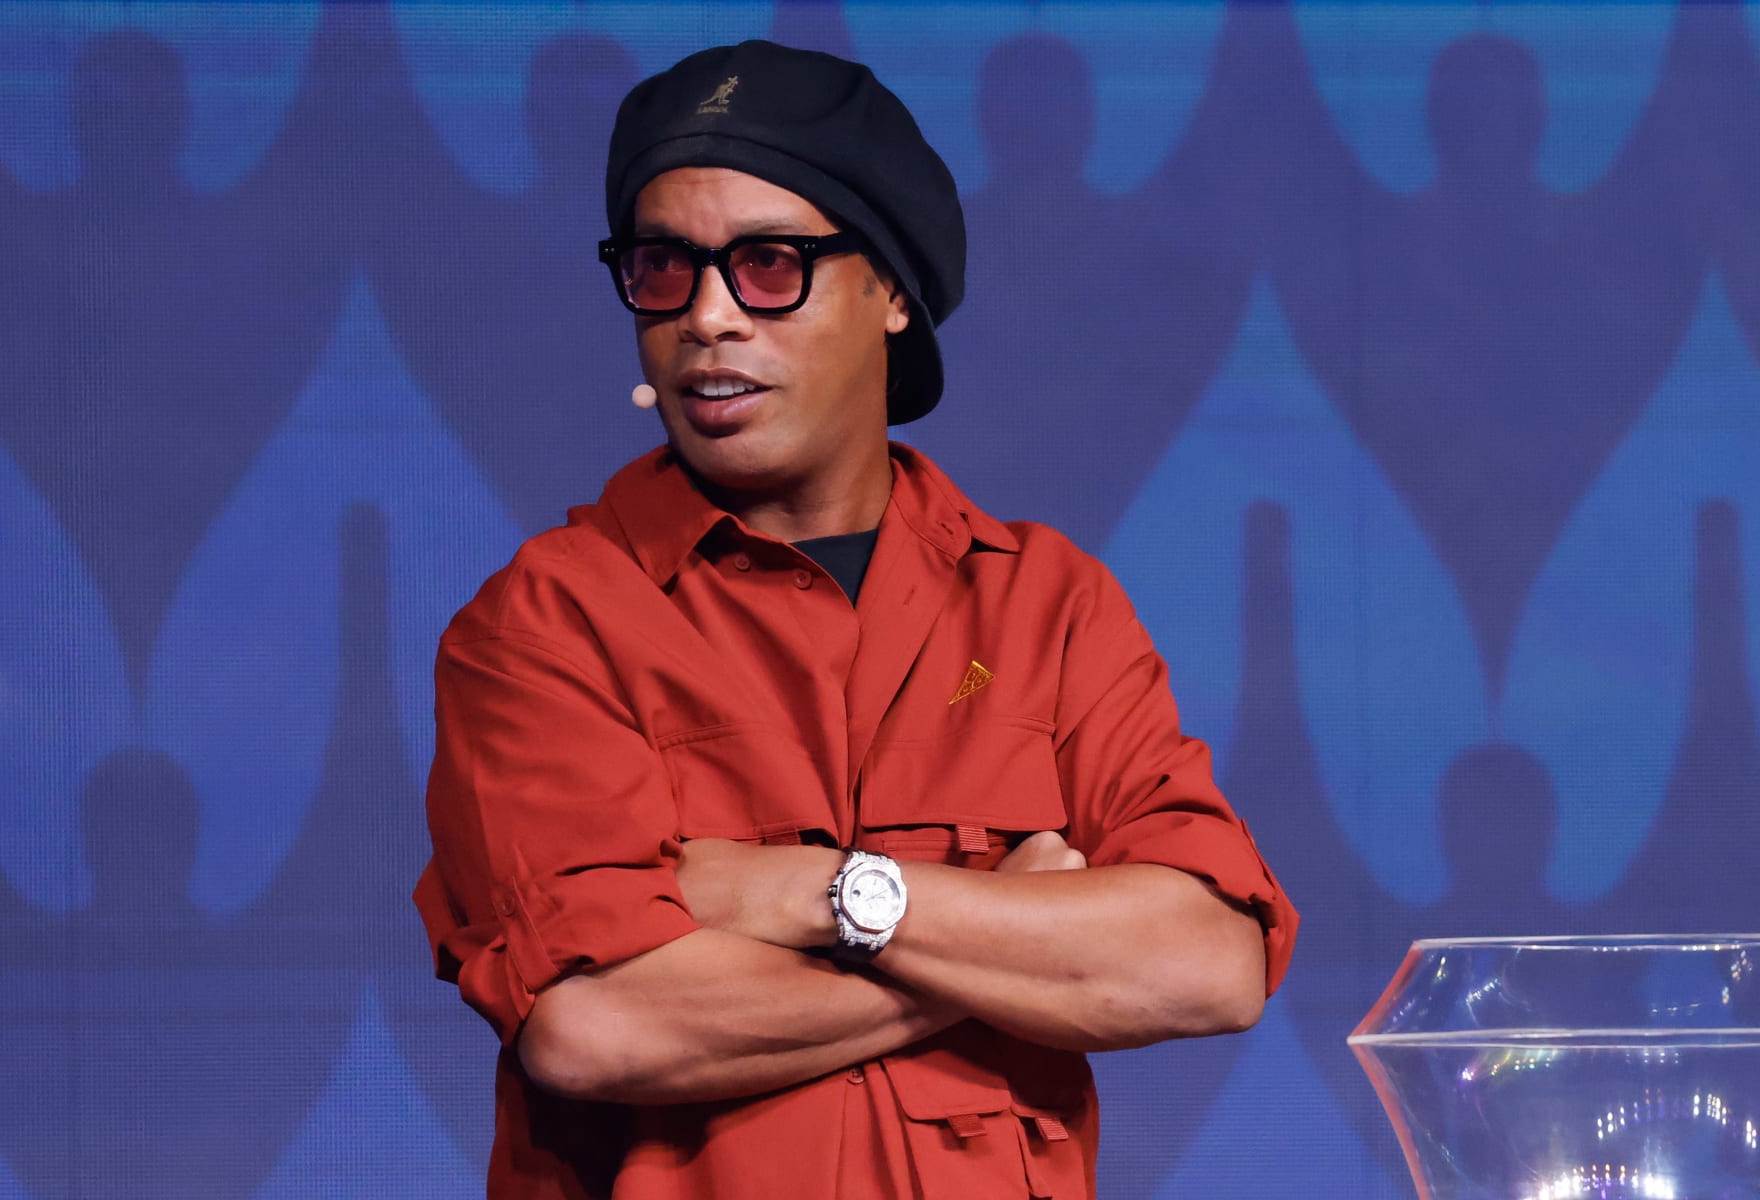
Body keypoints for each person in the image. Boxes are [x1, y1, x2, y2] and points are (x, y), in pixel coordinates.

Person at [414, 38, 1298, 1200]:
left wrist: (815, 896)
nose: (709, 318)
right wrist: (1012, 944)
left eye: (770, 264)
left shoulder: (1047, 604)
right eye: (664, 267)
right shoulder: (547, 625)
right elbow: (602, 1029)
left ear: (890, 290)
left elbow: (1207, 963)